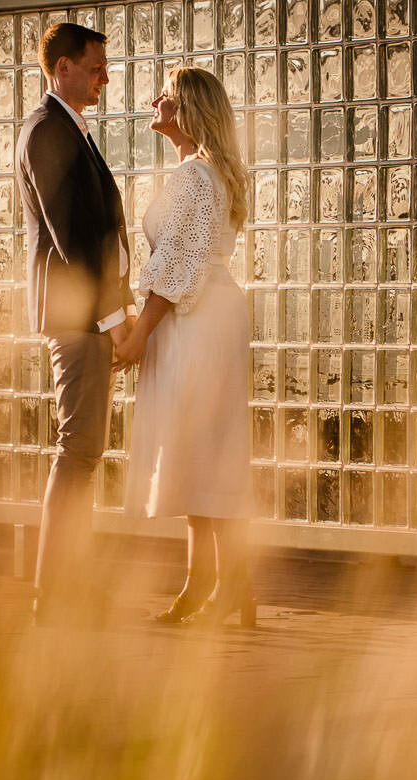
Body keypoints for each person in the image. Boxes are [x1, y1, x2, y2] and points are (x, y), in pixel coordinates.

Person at [113, 66, 254, 627]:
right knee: (208, 446)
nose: (156, 103)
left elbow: (175, 267)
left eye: (167, 99)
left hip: (195, 322)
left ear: (190, 112)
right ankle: (222, 583)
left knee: (199, 444)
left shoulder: (196, 178)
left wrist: (138, 335)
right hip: (212, 315)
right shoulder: (209, 173)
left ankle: (213, 584)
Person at [15, 22, 135, 625]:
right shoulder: (45, 131)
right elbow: (72, 240)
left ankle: (68, 589)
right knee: (77, 451)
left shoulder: (70, 129)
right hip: (78, 315)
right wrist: (114, 317)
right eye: (95, 67)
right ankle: (54, 595)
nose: (104, 77)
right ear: (61, 68)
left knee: (83, 452)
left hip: (91, 313)